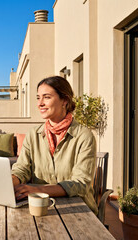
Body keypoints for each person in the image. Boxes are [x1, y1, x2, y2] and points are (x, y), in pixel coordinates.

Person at [11, 76, 98, 214]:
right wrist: (11, 180)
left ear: (64, 100)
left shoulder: (84, 137)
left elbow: (81, 184)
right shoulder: (33, 135)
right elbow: (22, 169)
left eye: (46, 97)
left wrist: (37, 190)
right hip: (40, 207)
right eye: (38, 98)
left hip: (78, 210)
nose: (40, 103)